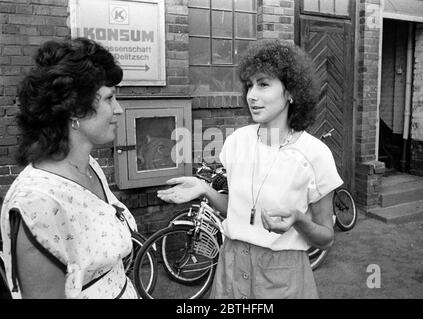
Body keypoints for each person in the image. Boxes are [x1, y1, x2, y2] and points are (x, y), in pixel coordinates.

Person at [157, 40, 343, 299]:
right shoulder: (237, 142)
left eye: (264, 84)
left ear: (290, 92)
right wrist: (205, 190)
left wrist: (299, 221)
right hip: (231, 267)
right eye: (249, 85)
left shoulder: (315, 155)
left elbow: (326, 238)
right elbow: (238, 211)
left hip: (282, 277)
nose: (252, 95)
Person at [0, 37, 138, 299]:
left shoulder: (90, 166)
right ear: (75, 108)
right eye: (109, 98)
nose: (118, 110)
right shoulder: (37, 202)